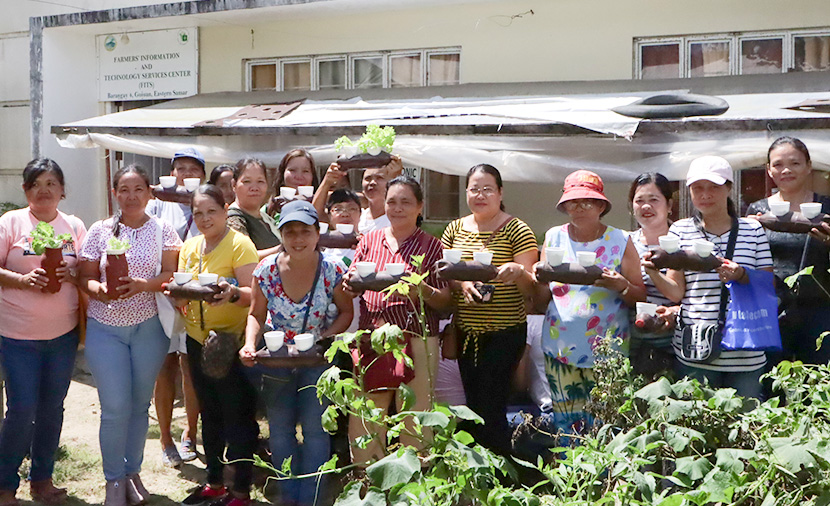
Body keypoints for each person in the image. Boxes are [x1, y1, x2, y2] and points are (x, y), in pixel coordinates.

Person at [78, 164, 181, 506]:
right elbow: (86, 277)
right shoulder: (100, 230)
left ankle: (132, 472)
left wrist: (143, 286)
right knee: (115, 407)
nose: (131, 196)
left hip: (149, 328)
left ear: (150, 193)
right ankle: (113, 481)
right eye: (124, 189)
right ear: (115, 193)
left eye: (138, 189)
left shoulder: (162, 230)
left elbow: (170, 274)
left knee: (139, 405)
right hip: (106, 329)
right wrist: (99, 291)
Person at [240, 200, 353, 506]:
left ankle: (312, 498)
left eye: (305, 231)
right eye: (290, 232)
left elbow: (346, 312)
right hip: (276, 362)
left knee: (317, 432)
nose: (298, 239)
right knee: (280, 432)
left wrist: (326, 339)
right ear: (281, 235)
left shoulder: (332, 270)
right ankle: (288, 497)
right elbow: (255, 314)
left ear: (318, 234)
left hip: (316, 363)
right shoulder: (265, 271)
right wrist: (250, 343)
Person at [644, 156, 773, 399]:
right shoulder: (680, 230)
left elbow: (767, 286)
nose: (705, 194)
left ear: (729, 188)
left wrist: (742, 275)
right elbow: (676, 292)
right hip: (695, 345)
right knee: (696, 427)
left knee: (749, 425)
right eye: (698, 188)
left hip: (744, 348)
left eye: (713, 187)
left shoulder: (752, 230)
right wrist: (653, 272)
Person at [346, 176, 451, 464]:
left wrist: (424, 290)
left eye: (406, 202)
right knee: (368, 415)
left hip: (418, 337)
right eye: (392, 201)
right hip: (374, 337)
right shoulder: (370, 240)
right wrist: (350, 284)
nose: (398, 208)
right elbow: (354, 279)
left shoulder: (431, 246)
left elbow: (446, 300)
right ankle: (367, 480)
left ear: (420, 207)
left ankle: (413, 484)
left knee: (415, 415)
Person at [0, 158, 87, 506]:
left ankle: (43, 480)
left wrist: (75, 276)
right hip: (17, 336)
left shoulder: (74, 226)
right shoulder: (11, 223)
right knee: (21, 410)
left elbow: (87, 270)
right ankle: (5, 485)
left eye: (51, 183)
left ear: (62, 190)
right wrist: (22, 280)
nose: (44, 190)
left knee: (53, 408)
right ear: (25, 190)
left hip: (62, 336)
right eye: (36, 183)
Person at [534, 169, 645, 433]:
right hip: (560, 349)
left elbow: (640, 295)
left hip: (608, 353)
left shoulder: (620, 240)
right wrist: (537, 278)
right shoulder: (554, 237)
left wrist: (621, 285)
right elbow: (541, 297)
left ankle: (607, 477)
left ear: (600, 206)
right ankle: (569, 474)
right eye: (573, 202)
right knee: (566, 426)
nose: (580, 208)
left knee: (608, 428)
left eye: (587, 202)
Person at [440, 164, 538, 456]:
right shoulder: (455, 228)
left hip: (505, 333)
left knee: (492, 405)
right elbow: (446, 273)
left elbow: (532, 290)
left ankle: (499, 474)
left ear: (500, 193)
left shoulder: (517, 229)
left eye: (487, 189)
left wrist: (518, 271)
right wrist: (463, 283)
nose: (480, 195)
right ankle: (476, 471)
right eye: (474, 189)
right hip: (467, 331)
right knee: (473, 404)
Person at [177, 184, 259, 506]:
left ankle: (240, 490)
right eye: (198, 212)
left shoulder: (240, 245)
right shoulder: (191, 246)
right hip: (197, 341)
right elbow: (183, 291)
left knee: (237, 417)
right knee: (208, 413)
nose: (205, 218)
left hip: (232, 344)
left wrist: (233, 293)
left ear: (226, 210)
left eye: (212, 211)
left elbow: (256, 297)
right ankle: (213, 482)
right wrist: (177, 297)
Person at [746, 137, 830, 364]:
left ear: (808, 166)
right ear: (769, 170)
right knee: (772, 381)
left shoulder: (826, 208)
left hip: (819, 308)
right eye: (778, 164)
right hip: (772, 308)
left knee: (817, 381)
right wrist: (748, 231)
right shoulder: (758, 210)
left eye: (795, 163)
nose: (786, 170)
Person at [147, 148, 204, 468]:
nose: (185, 175)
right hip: (161, 297)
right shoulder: (157, 205)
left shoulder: (205, 206)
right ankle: (165, 436)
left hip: (196, 299)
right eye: (179, 168)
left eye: (193, 169)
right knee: (164, 368)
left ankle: (190, 434)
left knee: (191, 368)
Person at [628, 172, 678, 378]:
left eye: (654, 200)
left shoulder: (681, 241)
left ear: (669, 205)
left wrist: (677, 310)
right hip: (630, 343)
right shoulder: (624, 242)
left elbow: (697, 289)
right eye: (639, 201)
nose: (646, 207)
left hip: (672, 344)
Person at [226, 158, 280, 258]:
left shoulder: (265, 218)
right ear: (234, 185)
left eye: (260, 181)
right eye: (247, 181)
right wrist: (281, 250)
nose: (254, 188)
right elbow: (242, 256)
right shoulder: (233, 219)